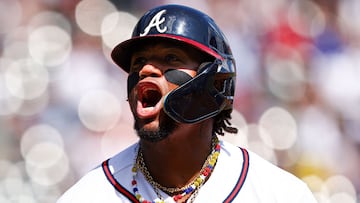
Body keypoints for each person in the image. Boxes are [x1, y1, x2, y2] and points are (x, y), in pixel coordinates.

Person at [57, 4, 317, 203]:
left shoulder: (277, 193)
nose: (146, 69)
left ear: (215, 83)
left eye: (170, 58)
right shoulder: (89, 195)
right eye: (138, 62)